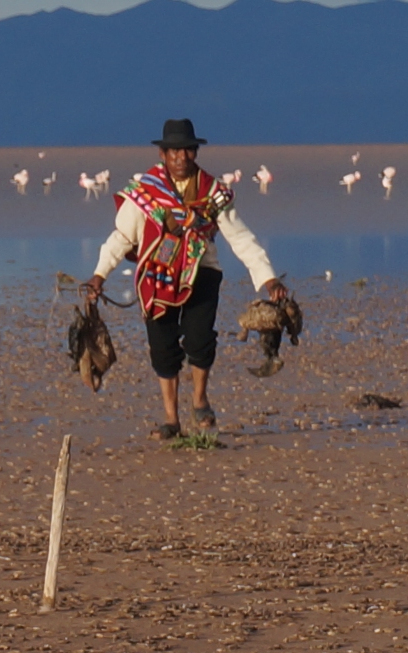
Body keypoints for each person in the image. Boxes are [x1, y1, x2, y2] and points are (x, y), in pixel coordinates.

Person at [85, 118, 287, 440]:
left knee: (200, 340)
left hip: (202, 272)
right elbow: (122, 237)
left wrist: (269, 279)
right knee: (162, 348)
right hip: (157, 276)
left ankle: (200, 400)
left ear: (195, 153)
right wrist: (99, 275)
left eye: (187, 151)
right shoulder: (146, 193)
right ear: (163, 155)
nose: (181, 157)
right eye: (174, 151)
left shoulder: (213, 193)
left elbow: (241, 238)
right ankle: (170, 418)